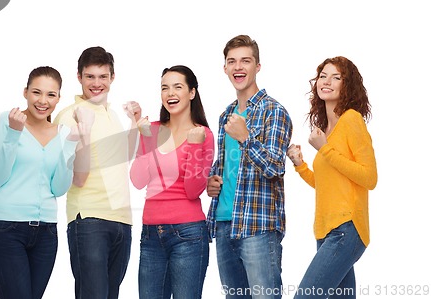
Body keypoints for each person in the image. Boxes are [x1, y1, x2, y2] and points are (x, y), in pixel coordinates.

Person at [0, 66, 93, 299]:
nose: (43, 101)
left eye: (51, 95)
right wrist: (14, 134)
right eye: (36, 92)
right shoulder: (7, 120)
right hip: (7, 228)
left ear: (58, 98)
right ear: (25, 92)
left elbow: (59, 188)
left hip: (46, 233)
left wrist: (69, 146)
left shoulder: (64, 132)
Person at [205, 35, 293, 299]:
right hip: (224, 223)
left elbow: (275, 167)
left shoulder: (273, 111)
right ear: (225, 69)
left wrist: (245, 137)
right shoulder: (226, 115)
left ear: (258, 66)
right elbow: (225, 165)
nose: (238, 67)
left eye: (245, 60)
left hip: (258, 226)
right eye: (231, 61)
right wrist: (212, 181)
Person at [54, 46, 142, 299]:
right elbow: (74, 175)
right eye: (90, 76)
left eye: (103, 76)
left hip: (122, 220)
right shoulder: (68, 116)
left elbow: (123, 156)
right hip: (89, 217)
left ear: (112, 78)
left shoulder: (111, 114)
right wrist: (84, 132)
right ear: (79, 77)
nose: (96, 83)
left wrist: (133, 122)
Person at [287, 56, 377, 299]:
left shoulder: (352, 120)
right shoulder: (327, 129)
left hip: (346, 229)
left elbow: (369, 178)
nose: (326, 81)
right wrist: (300, 165)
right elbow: (327, 184)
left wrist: (325, 149)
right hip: (326, 232)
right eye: (323, 76)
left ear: (347, 85)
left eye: (336, 77)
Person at [130, 65, 215, 299]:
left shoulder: (202, 135)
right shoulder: (153, 129)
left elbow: (193, 190)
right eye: (164, 88)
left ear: (191, 93)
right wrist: (145, 140)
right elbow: (138, 180)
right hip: (150, 234)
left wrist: (196, 146)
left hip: (188, 234)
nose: (170, 93)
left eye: (178, 87)